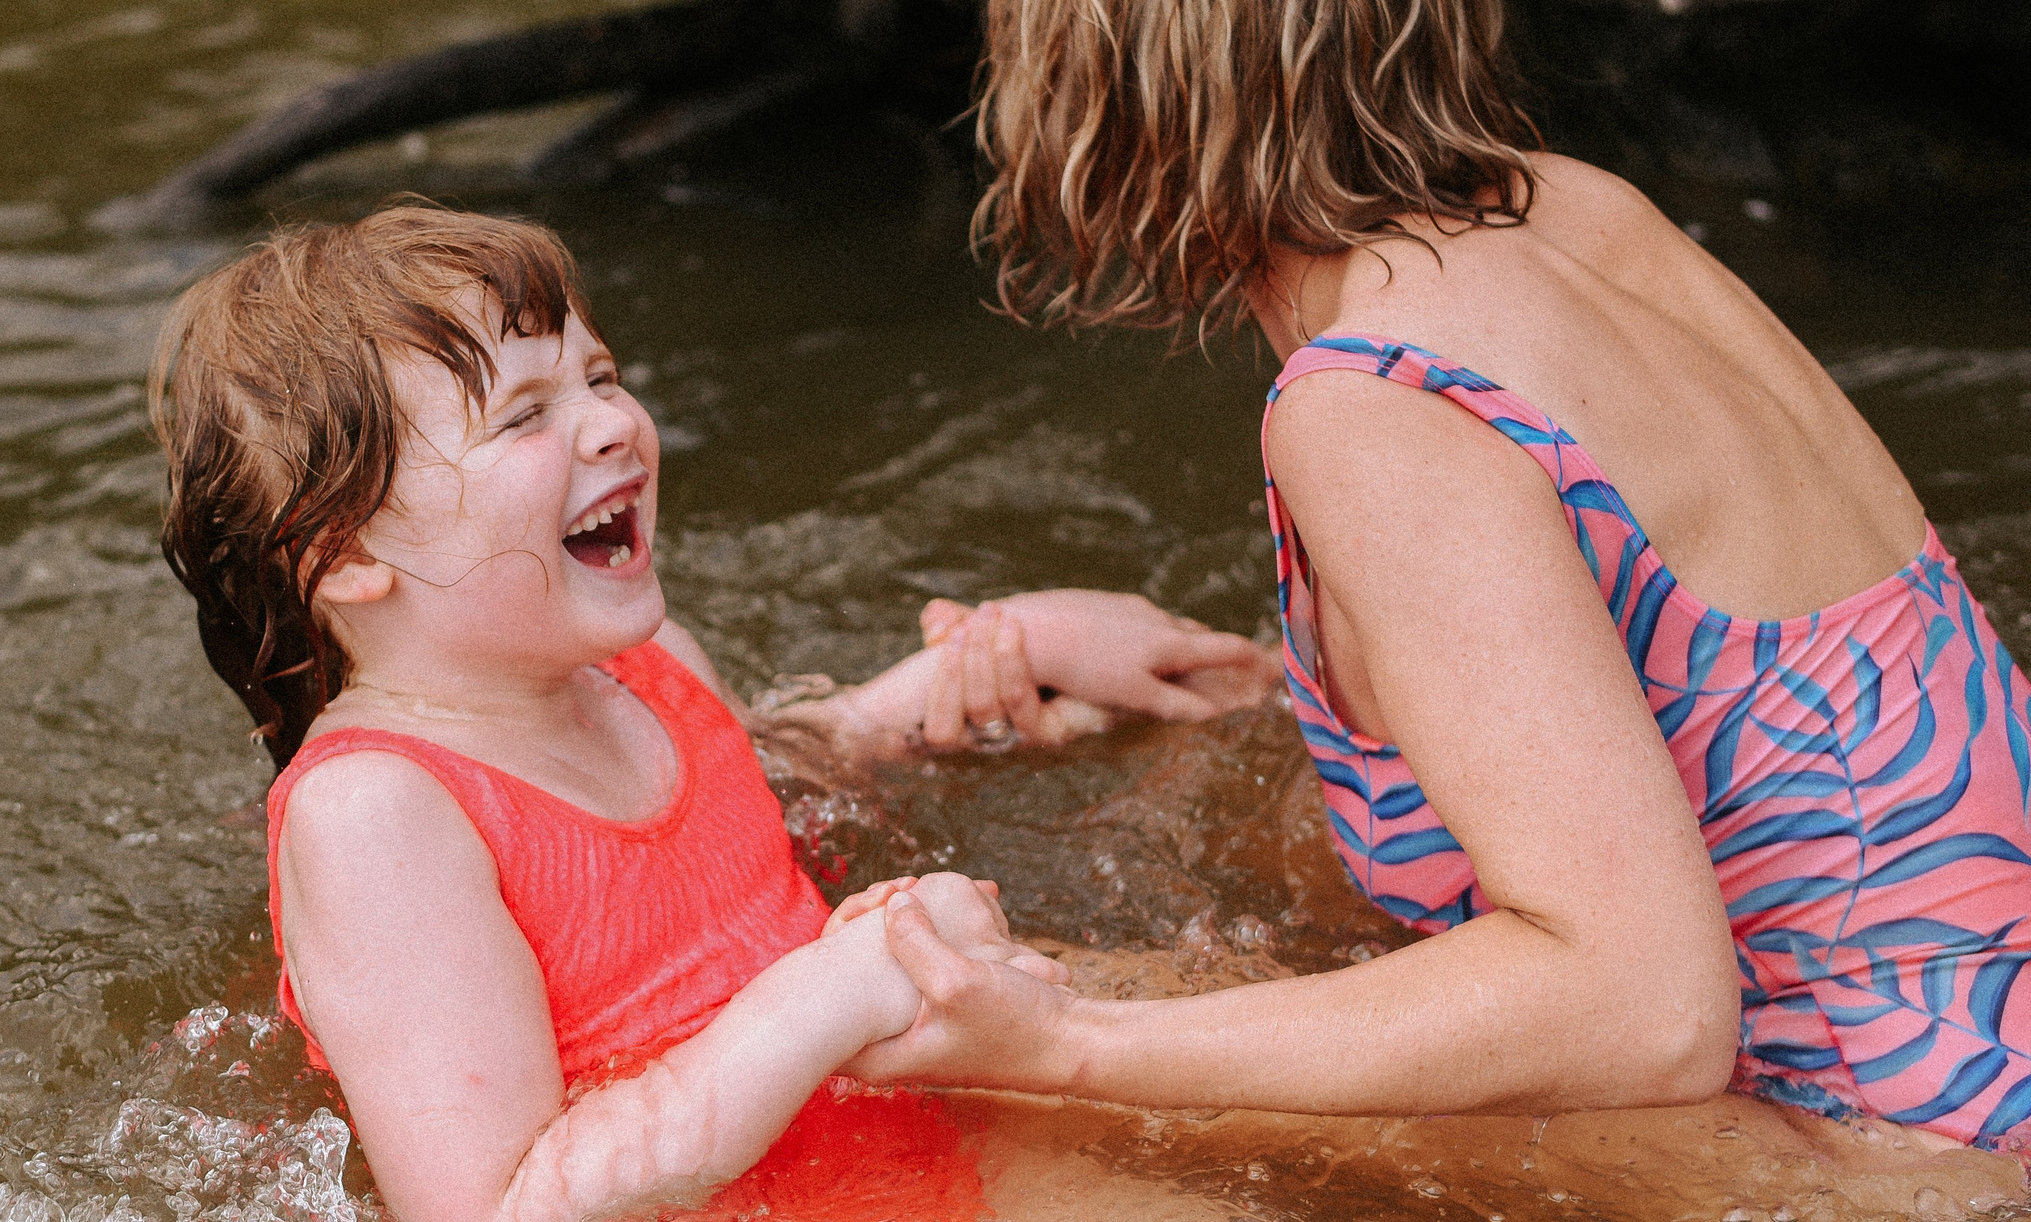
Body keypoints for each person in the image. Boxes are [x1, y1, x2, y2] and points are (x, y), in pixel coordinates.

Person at [836, 0, 2031, 1149]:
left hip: (1923, 1162)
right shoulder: (1572, 211)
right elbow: (1740, 739)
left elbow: (1644, 1012)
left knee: (954, 1079)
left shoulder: (1375, 404)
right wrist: (1220, 707)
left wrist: (1069, 1044)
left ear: (1090, 93)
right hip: (1983, 1051)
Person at [148, 205, 1277, 1222]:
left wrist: (1008, 651)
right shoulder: (379, 816)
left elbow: (764, 779)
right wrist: (824, 994)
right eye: (526, 414)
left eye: (599, 376)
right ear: (343, 553)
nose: (613, 421)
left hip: (892, 1121)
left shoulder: (643, 663)